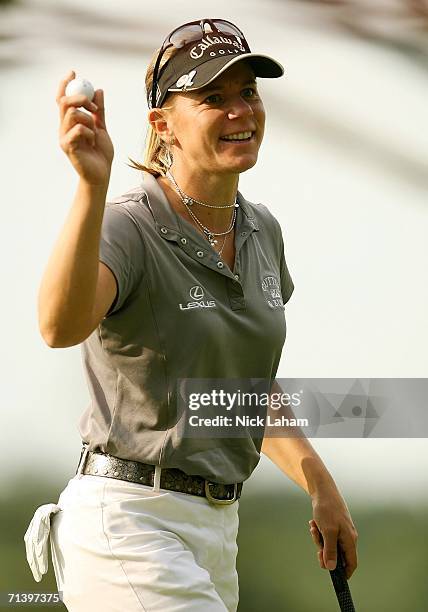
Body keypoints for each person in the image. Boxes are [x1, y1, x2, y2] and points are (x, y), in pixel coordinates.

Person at [24, 17, 358, 612]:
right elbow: (59, 326)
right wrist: (89, 189)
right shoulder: (128, 223)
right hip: (127, 523)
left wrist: (316, 477)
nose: (240, 111)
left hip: (217, 531)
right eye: (213, 98)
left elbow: (240, 382)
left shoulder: (262, 230)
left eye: (248, 93)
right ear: (162, 125)